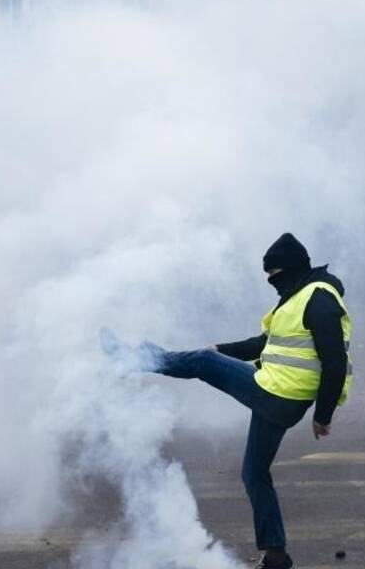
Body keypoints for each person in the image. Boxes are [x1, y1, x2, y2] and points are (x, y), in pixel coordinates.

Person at [103, 233, 352, 569]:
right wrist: (221, 350)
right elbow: (262, 345)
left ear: (291, 268)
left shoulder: (319, 299)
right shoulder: (297, 296)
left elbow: (335, 361)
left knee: (202, 365)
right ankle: (276, 555)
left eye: (275, 275)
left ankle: (136, 359)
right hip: (279, 396)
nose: (272, 283)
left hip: (279, 395)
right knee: (254, 473)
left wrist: (323, 416)